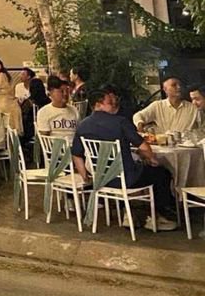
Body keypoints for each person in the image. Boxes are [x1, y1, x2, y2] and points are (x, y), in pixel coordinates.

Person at [71, 88, 178, 231]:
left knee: (144, 171)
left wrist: (86, 176)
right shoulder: (120, 122)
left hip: (101, 179)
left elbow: (76, 154)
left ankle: (129, 214)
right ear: (98, 104)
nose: (114, 104)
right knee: (162, 173)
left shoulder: (83, 125)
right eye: (110, 102)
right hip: (128, 178)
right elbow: (143, 146)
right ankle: (159, 217)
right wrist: (152, 159)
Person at [133, 77, 197, 133]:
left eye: (180, 85)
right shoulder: (157, 106)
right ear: (165, 89)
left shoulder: (192, 108)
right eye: (174, 85)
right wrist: (140, 123)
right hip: (162, 142)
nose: (179, 87)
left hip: (187, 142)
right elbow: (138, 116)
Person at [0, 58, 22, 135]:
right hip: (13, 105)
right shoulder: (7, 76)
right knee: (13, 134)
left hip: (1, 106)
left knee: (3, 132)